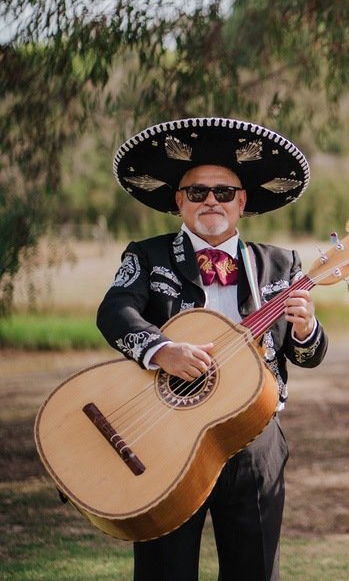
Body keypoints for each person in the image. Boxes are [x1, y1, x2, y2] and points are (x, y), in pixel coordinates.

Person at [97, 117, 328, 580]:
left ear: (241, 202)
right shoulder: (147, 256)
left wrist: (306, 329)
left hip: (254, 438)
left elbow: (306, 354)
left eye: (223, 192)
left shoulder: (281, 264)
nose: (210, 201)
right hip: (169, 436)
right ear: (179, 201)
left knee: (255, 569)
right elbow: (114, 313)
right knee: (165, 569)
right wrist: (162, 350)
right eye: (197, 192)